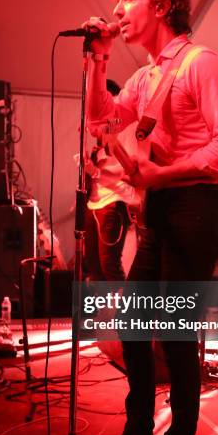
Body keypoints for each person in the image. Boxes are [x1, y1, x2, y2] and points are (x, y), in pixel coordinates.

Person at [83, 0, 218, 435]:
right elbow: (100, 118)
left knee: (176, 334)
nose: (117, 9)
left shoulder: (203, 64)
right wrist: (97, 57)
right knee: (133, 323)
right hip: (158, 205)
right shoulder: (146, 76)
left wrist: (162, 173)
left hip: (195, 208)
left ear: (161, 5)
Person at [84, 79, 136, 282]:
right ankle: (105, 312)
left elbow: (128, 168)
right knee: (94, 264)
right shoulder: (102, 126)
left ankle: (123, 312)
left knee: (109, 264)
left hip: (113, 201)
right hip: (95, 201)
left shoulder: (125, 125)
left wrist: (96, 173)